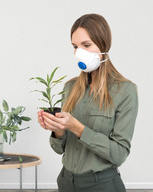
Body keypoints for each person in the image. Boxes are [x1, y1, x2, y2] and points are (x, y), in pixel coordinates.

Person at [37, 13, 138, 192]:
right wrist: (57, 130)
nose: (79, 52)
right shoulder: (70, 87)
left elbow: (119, 154)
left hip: (102, 185)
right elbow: (60, 150)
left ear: (103, 44)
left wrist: (77, 127)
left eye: (86, 45)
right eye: (75, 46)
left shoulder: (125, 90)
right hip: (66, 182)